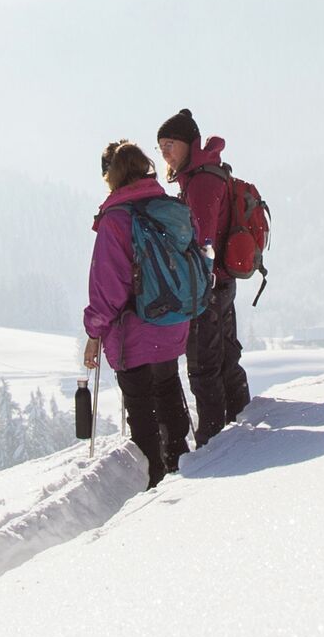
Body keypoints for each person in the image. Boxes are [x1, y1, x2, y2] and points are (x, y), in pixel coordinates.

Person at [83, 139, 194, 483]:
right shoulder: (169, 208)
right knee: (168, 389)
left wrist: (93, 333)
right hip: (173, 321)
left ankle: (156, 480)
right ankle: (183, 465)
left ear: (111, 176)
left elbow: (108, 287)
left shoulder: (116, 220)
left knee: (142, 407)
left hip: (134, 329)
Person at [156, 108, 251, 444]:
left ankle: (214, 441)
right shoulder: (203, 174)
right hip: (221, 281)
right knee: (224, 358)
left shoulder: (201, 181)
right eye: (160, 146)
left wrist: (196, 285)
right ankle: (240, 419)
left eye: (169, 144)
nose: (165, 152)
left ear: (187, 144)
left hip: (207, 287)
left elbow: (203, 241)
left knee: (203, 367)